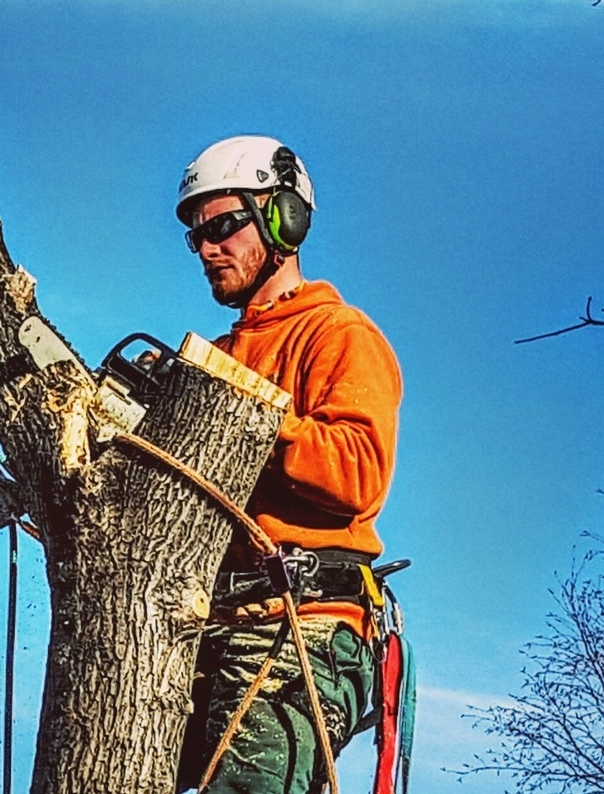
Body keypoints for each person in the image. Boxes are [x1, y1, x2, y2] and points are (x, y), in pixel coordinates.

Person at [173, 135, 403, 793]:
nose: (208, 248)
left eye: (222, 226)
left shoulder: (336, 334)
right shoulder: (217, 354)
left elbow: (357, 471)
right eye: (197, 236)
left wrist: (243, 417)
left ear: (283, 218)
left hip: (300, 628)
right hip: (205, 625)